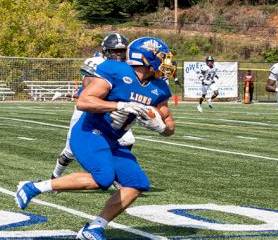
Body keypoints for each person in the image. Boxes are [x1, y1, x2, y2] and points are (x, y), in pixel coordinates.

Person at [15, 37, 176, 240]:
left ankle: (94, 228)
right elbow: (83, 101)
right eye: (163, 57)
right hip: (89, 131)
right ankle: (33, 187)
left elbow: (170, 125)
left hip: (113, 139)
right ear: (145, 58)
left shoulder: (158, 87)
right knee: (103, 178)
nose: (166, 63)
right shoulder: (115, 71)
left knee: (137, 183)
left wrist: (160, 127)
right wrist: (119, 105)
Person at [50, 33, 135, 182]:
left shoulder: (128, 66)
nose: (119, 54)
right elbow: (87, 87)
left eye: (122, 50)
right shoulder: (96, 62)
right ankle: (55, 176)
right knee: (70, 150)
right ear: (106, 51)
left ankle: (115, 174)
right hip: (89, 107)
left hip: (112, 109)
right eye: (115, 51)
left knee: (127, 140)